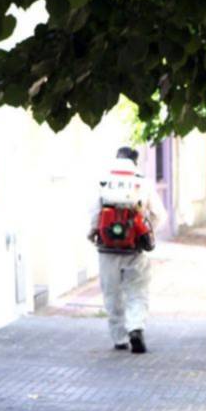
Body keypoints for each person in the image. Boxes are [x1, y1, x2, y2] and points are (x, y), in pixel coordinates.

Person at [89, 147, 168, 354]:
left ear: (117, 158)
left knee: (111, 293)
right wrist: (145, 231)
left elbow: (95, 213)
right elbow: (160, 214)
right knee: (137, 290)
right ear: (135, 161)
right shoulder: (142, 182)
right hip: (134, 250)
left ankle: (119, 338)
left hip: (106, 249)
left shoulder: (103, 181)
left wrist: (93, 233)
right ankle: (135, 328)